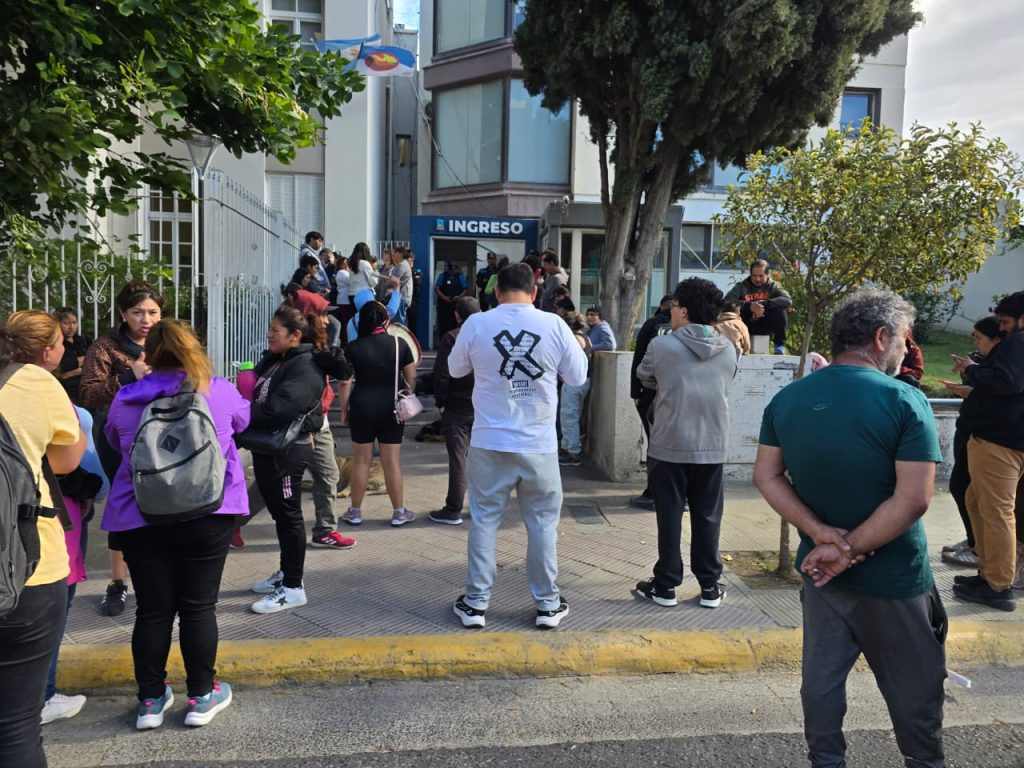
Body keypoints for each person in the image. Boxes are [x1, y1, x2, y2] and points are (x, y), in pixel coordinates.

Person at [753, 288, 946, 768]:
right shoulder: (905, 399)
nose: (906, 350)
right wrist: (849, 548)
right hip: (894, 579)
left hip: (821, 575)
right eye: (904, 339)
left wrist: (821, 536)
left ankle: (826, 760)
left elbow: (766, 476)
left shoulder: (789, 399)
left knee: (821, 681)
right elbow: (914, 498)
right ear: (881, 338)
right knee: (916, 687)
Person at [102, 320, 248, 729]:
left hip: (140, 514)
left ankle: (150, 700)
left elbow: (115, 442)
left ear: (148, 354)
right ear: (193, 349)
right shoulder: (217, 389)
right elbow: (242, 422)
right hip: (209, 510)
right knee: (198, 607)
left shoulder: (126, 397)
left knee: (152, 610)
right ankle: (201, 696)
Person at [447, 262, 588, 630]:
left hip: (489, 441)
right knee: (542, 524)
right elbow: (577, 376)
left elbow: (455, 369)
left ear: (496, 291)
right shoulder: (554, 324)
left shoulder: (477, 324)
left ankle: (475, 603)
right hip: (539, 444)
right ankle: (548, 604)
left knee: (484, 521)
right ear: (534, 291)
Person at [0, 311, 86, 767]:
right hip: (26, 568)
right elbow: (67, 460)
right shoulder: (37, 383)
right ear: (49, 349)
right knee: (15, 727)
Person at [632, 279, 738, 609]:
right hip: (712, 444)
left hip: (669, 443)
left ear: (685, 311)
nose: (671, 312)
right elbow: (728, 381)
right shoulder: (729, 348)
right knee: (707, 515)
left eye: (675, 306)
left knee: (669, 515)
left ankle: (666, 585)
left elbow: (644, 375)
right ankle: (709, 586)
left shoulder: (661, 346)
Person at [81, 281, 163, 618]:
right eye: (137, 312)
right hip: (120, 441)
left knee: (162, 504)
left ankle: (157, 575)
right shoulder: (105, 347)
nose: (146, 319)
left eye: (153, 312)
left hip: (164, 439)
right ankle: (118, 583)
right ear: (122, 313)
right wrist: (130, 377)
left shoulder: (167, 341)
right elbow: (89, 394)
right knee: (124, 509)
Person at [248, 307, 333, 614]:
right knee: (280, 515)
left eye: (276, 330)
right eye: (270, 328)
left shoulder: (305, 366)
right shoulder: (278, 360)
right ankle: (286, 573)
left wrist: (240, 413)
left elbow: (278, 409)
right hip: (269, 449)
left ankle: (294, 587)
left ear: (295, 336)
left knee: (290, 516)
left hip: (289, 452)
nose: (269, 334)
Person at [949, 291, 1024, 610]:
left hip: (1000, 441)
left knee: (996, 511)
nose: (1002, 329)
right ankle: (989, 572)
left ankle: (999, 586)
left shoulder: (1018, 342)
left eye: (1005, 322)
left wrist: (972, 370)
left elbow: (1007, 382)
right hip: (1002, 438)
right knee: (975, 501)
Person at [285, 289, 355, 550]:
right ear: (307, 317)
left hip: (319, 423)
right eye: (323, 315)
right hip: (300, 427)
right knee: (275, 483)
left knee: (328, 475)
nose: (327, 321)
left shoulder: (318, 348)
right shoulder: (296, 352)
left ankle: (325, 530)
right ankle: (233, 522)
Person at [338, 302, 417, 528]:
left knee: (361, 460)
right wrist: (407, 397)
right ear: (385, 320)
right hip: (391, 407)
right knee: (391, 461)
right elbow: (411, 376)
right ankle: (399, 512)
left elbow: (345, 382)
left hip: (361, 407)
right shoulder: (399, 343)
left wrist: (344, 410)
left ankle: (355, 512)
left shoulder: (353, 347)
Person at [939, 316, 1003, 567]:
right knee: (967, 493)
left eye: (979, 337)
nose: (975, 343)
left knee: (975, 495)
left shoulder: (1007, 366)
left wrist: (972, 381)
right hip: (971, 431)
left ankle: (984, 554)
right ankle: (976, 543)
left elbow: (1000, 396)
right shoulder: (988, 362)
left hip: (989, 438)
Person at [430, 297, 481, 525]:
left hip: (457, 406)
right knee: (482, 459)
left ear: (457, 315)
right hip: (483, 405)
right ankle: (480, 507)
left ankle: (453, 509)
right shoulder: (488, 336)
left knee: (458, 459)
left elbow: (442, 373)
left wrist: (440, 401)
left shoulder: (452, 338)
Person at [628, 294, 674, 510]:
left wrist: (635, 392)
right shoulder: (692, 331)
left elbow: (638, 359)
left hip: (650, 393)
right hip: (676, 395)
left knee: (654, 444)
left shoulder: (652, 325)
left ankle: (653, 492)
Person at [723, 259, 792, 354]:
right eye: (754, 276)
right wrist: (749, 306)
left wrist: (764, 304)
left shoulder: (773, 286)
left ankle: (779, 347)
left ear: (768, 274)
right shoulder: (741, 286)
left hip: (765, 322)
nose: (757, 279)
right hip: (746, 323)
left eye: (761, 276)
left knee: (780, 311)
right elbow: (726, 302)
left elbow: (787, 300)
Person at [558, 313, 593, 467]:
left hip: (574, 381)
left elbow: (570, 361)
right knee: (573, 415)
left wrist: (562, 374)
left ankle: (573, 452)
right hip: (583, 380)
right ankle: (567, 447)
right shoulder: (586, 337)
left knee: (569, 416)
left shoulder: (574, 339)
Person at [53, 307, 92, 405]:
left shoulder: (85, 341)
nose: (71, 327)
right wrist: (79, 365)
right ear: (57, 324)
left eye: (74, 323)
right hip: (66, 391)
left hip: (86, 388)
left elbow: (94, 362)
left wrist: (69, 373)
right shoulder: (55, 343)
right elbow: (60, 366)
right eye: (66, 323)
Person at [435, 261, 468, 339]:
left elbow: (465, 290)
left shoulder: (460, 277)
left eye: (454, 268)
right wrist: (444, 298)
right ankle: (442, 341)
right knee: (443, 324)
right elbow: (437, 288)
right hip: (443, 304)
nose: (453, 271)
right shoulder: (443, 276)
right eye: (451, 269)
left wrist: (458, 297)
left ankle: (454, 341)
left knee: (455, 324)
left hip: (456, 304)